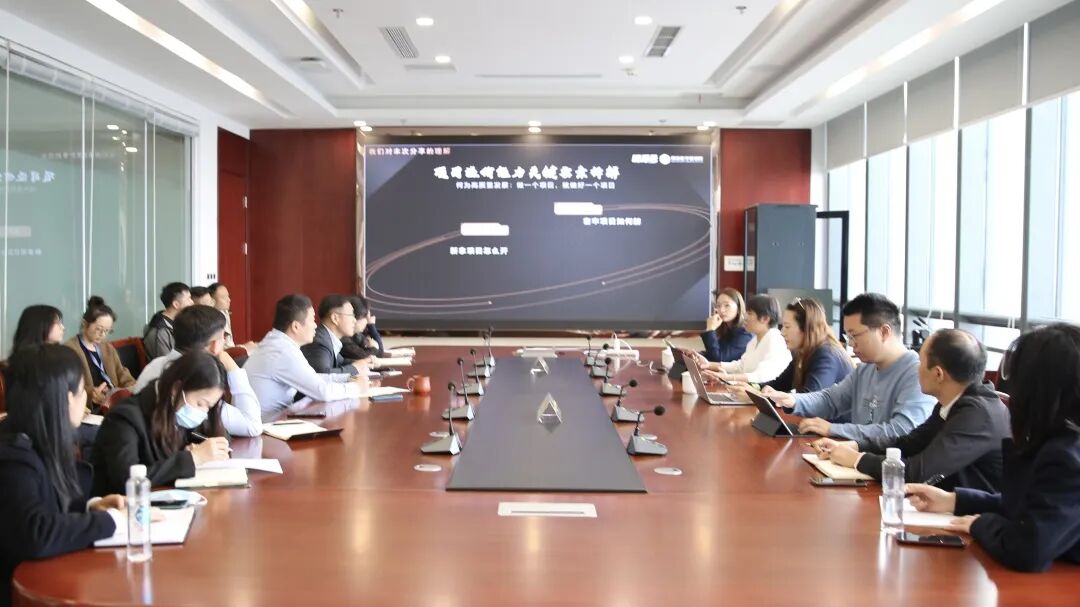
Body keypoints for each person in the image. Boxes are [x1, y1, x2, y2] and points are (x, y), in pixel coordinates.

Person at [907, 323, 1080, 572]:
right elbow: (1036, 504)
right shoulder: (1058, 437)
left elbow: (1026, 549)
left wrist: (978, 524)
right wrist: (955, 501)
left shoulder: (1067, 454)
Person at [0, 346, 126, 603]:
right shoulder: (12, 457)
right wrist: (113, 520)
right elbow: (35, 533)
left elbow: (48, 505)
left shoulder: (41, 437)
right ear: (67, 399)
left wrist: (91, 508)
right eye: (82, 391)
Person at [812, 329, 1009, 492]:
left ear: (938, 374)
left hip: (973, 520)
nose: (917, 369)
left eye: (921, 362)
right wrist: (855, 446)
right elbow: (910, 443)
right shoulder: (955, 402)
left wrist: (857, 460)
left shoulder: (977, 415)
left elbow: (917, 473)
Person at [764, 293, 934, 440]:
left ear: (884, 332)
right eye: (848, 336)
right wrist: (793, 400)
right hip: (855, 457)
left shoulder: (916, 374)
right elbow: (830, 400)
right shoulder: (865, 369)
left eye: (854, 336)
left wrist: (833, 429)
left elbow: (900, 431)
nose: (851, 344)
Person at [91, 351, 231, 496]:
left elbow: (215, 435)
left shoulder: (178, 408)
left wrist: (205, 447)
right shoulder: (125, 419)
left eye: (209, 407)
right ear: (176, 389)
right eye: (200, 403)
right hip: (124, 505)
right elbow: (127, 480)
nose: (203, 413)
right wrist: (193, 458)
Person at [133, 305, 262, 437]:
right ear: (214, 345)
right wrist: (233, 367)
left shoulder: (154, 365)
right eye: (223, 337)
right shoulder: (199, 376)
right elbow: (252, 425)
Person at [245, 294, 369, 420]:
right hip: (268, 427)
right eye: (312, 320)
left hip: (276, 421)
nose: (315, 325)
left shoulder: (279, 344)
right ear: (296, 326)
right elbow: (323, 392)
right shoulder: (282, 351)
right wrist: (356, 387)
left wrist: (347, 378)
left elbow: (312, 378)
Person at [690, 294, 791, 384]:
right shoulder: (755, 340)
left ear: (765, 319)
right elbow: (741, 366)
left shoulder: (775, 339)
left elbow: (761, 375)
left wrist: (726, 377)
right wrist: (708, 365)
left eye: (750, 313)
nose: (744, 316)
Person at [765, 298, 852, 393]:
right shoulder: (802, 352)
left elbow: (811, 397)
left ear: (807, 328)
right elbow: (779, 384)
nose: (782, 332)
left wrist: (775, 395)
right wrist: (755, 387)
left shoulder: (826, 354)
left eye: (787, 327)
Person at [64, 297, 137, 410]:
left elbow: (122, 374)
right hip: (91, 409)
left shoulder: (107, 347)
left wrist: (131, 387)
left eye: (107, 331)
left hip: (113, 403)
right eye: (99, 329)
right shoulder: (70, 349)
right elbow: (67, 386)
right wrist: (91, 394)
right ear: (85, 324)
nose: (103, 335)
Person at [302, 295, 366, 375]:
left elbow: (340, 362)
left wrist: (363, 363)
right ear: (335, 318)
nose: (354, 320)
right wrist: (355, 368)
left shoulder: (327, 337)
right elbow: (323, 374)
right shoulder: (320, 342)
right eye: (351, 315)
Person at [701, 288, 752, 363]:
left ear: (738, 308)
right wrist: (696, 355)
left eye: (727, 305)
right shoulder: (726, 329)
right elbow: (713, 353)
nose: (721, 310)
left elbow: (720, 359)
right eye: (718, 305)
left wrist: (710, 329)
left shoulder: (745, 333)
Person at [143, 282, 193, 359]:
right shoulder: (160, 331)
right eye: (188, 299)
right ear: (176, 304)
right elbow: (165, 362)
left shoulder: (177, 322)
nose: (192, 302)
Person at [208, 282, 256, 351]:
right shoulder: (211, 319)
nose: (229, 300)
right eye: (224, 297)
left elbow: (229, 345)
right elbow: (223, 350)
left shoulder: (225, 312)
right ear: (212, 300)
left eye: (228, 296)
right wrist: (244, 347)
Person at [341, 295, 385, 361]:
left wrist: (371, 326)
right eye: (366, 318)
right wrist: (374, 348)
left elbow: (379, 354)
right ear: (356, 317)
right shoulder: (343, 338)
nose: (367, 321)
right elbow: (362, 356)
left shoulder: (357, 335)